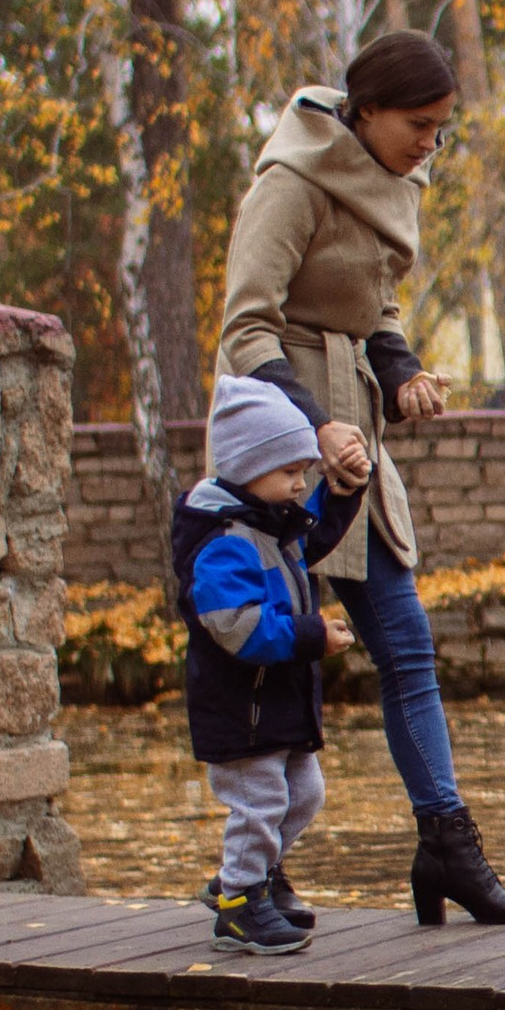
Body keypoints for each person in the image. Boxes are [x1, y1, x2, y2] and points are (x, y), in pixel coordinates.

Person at [216, 29, 505, 926]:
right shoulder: (290, 184)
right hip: (274, 449)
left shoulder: (396, 185)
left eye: (442, 129)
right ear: (364, 112)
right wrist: (309, 424)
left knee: (407, 650)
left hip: (354, 440)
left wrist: (401, 374)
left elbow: (377, 306)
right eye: (419, 125)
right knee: (267, 665)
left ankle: (447, 846)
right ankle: (254, 877)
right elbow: (246, 328)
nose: (430, 144)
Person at [176, 378, 366, 956]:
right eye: (290, 473)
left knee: (303, 794)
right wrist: (311, 635)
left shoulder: (269, 525)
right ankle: (238, 907)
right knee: (260, 802)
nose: (299, 485)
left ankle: (242, 876)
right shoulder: (224, 542)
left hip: (275, 702)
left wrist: (345, 490)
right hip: (241, 706)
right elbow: (237, 627)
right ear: (247, 468)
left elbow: (315, 530)